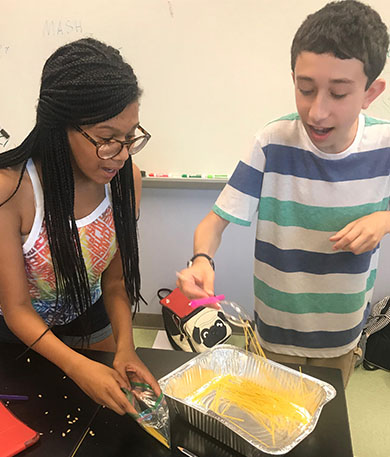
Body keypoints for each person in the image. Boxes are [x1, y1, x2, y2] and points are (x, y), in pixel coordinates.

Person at [177, 0, 390, 387]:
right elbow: (214, 223)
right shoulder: (272, 142)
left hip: (341, 332)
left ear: (370, 92)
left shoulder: (384, 145)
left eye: (338, 94)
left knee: (326, 424)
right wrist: (201, 259)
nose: (317, 112)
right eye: (305, 89)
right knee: (272, 414)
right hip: (275, 329)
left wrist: (384, 219)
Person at [0, 38, 160, 414]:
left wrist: (126, 347)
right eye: (106, 140)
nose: (121, 154)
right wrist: (76, 365)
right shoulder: (12, 190)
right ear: (60, 129)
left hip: (90, 314)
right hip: (16, 331)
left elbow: (116, 282)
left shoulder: (125, 179)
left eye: (130, 137)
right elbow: (16, 307)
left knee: (107, 416)